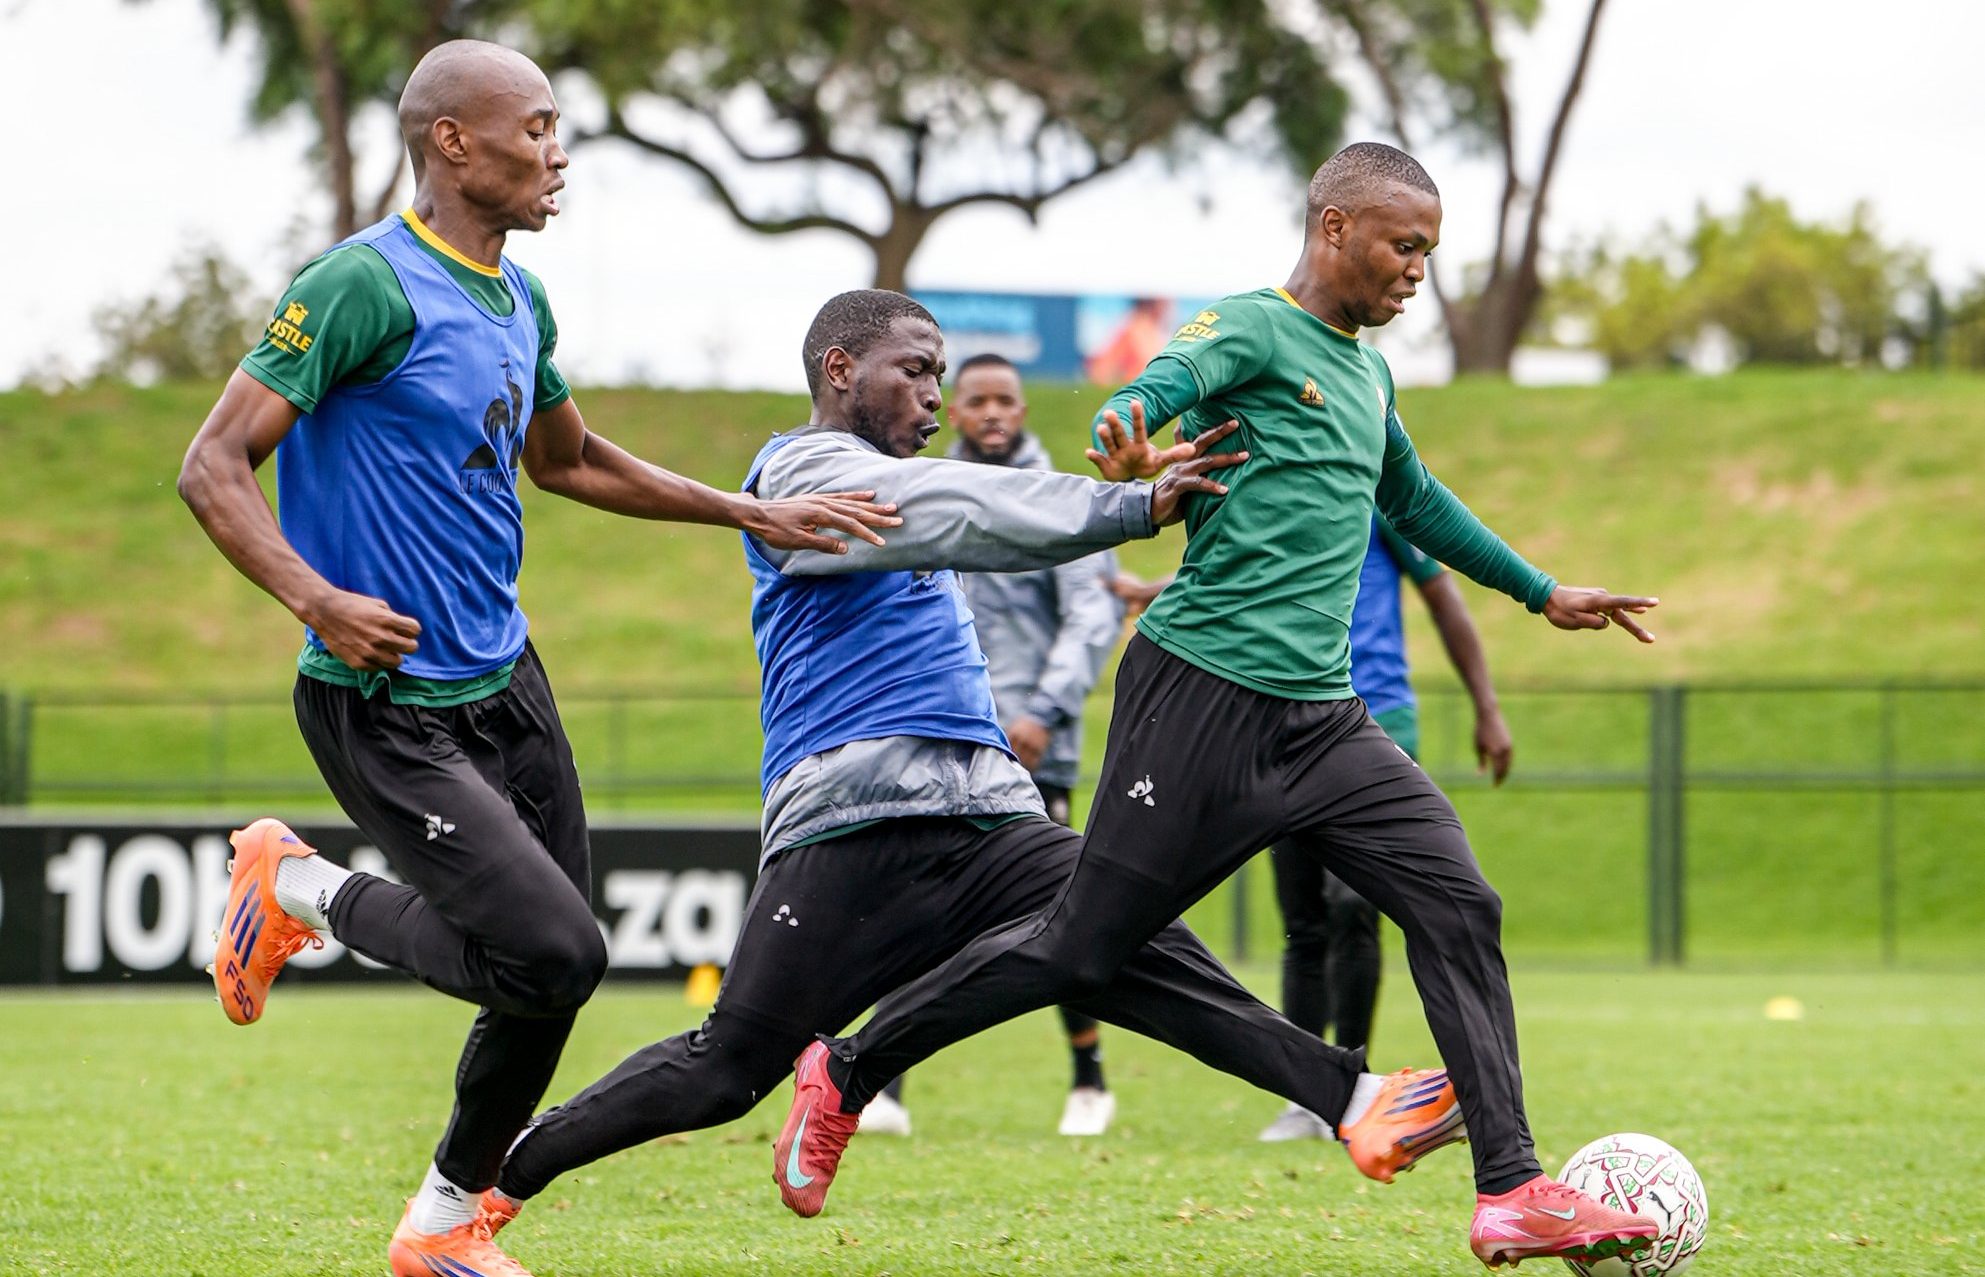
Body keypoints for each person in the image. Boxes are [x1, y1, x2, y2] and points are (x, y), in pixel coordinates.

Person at [776, 143, 1664, 1270]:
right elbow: (1142, 396)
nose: (1414, 273)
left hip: (1323, 720)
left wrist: (1544, 592)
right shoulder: (1248, 326)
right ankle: (846, 1072)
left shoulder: (1365, 375)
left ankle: (1508, 1186)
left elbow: (1419, 502)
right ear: (1334, 227)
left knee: (1459, 902)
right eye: (1402, 246)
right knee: (1079, 946)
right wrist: (1124, 437)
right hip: (1197, 695)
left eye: (1429, 255)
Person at [476, 290, 1460, 1254]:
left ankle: (1352, 1096)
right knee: (724, 1070)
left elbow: (989, 520)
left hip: (985, 812)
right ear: (838, 370)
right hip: (851, 822)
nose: (934, 395)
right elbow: (955, 504)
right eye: (914, 370)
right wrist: (1128, 502)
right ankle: (492, 1180)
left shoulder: (910, 482)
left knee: (1118, 938)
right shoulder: (799, 468)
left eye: (940, 376)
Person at [177, 41, 894, 1277]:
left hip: (505, 681)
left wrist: (746, 509)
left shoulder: (519, 300)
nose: (558, 154)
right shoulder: (362, 284)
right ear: (454, 141)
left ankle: (443, 1224)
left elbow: (567, 459)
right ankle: (289, 883)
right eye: (538, 127)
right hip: (379, 694)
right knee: (558, 952)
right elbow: (212, 463)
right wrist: (316, 597)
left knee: (543, 977)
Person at [1256, 514, 1514, 1141]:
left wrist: (1487, 707)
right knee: (1303, 918)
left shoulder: (1375, 494)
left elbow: (1443, 595)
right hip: (1283, 722)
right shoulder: (1273, 488)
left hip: (1375, 725)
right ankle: (1308, 1098)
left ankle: (1354, 1085)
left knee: (1353, 907)